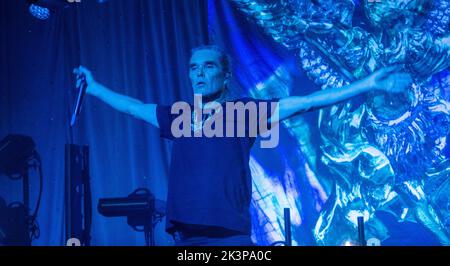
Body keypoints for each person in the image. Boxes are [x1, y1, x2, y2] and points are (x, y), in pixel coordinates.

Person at [73, 45, 411, 246]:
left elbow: (307, 102)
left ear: (225, 76)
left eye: (208, 67)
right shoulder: (179, 115)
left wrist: (366, 83)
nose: (199, 74)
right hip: (186, 238)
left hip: (228, 238)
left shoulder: (243, 113)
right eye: (194, 68)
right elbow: (134, 108)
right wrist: (95, 88)